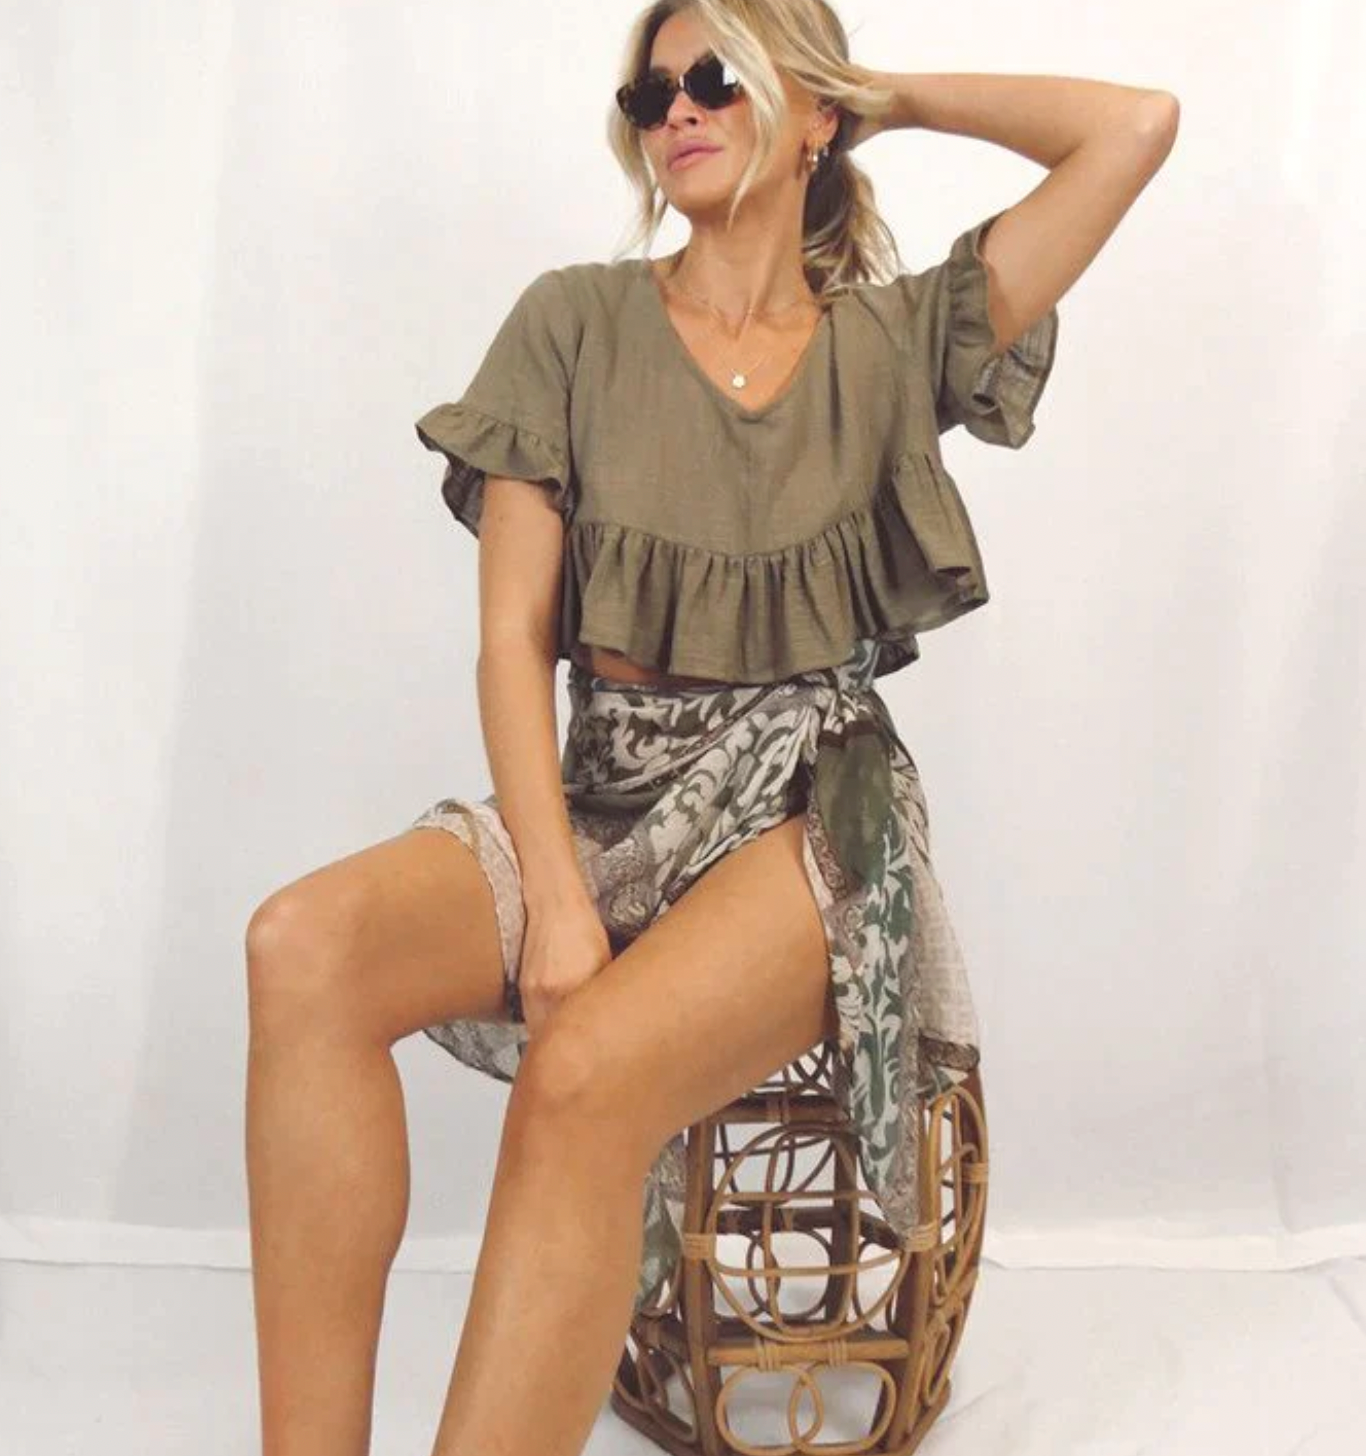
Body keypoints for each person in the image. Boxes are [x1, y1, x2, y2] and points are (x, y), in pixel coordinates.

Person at [243, 1, 1177, 1452]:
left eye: (715, 79)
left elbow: (1130, 129)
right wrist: (557, 901)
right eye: (649, 93)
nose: (673, 109)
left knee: (582, 1077)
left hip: (807, 817)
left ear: (809, 115)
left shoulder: (891, 342)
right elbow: (511, 643)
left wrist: (876, 92)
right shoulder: (573, 321)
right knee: (300, 946)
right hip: (609, 798)